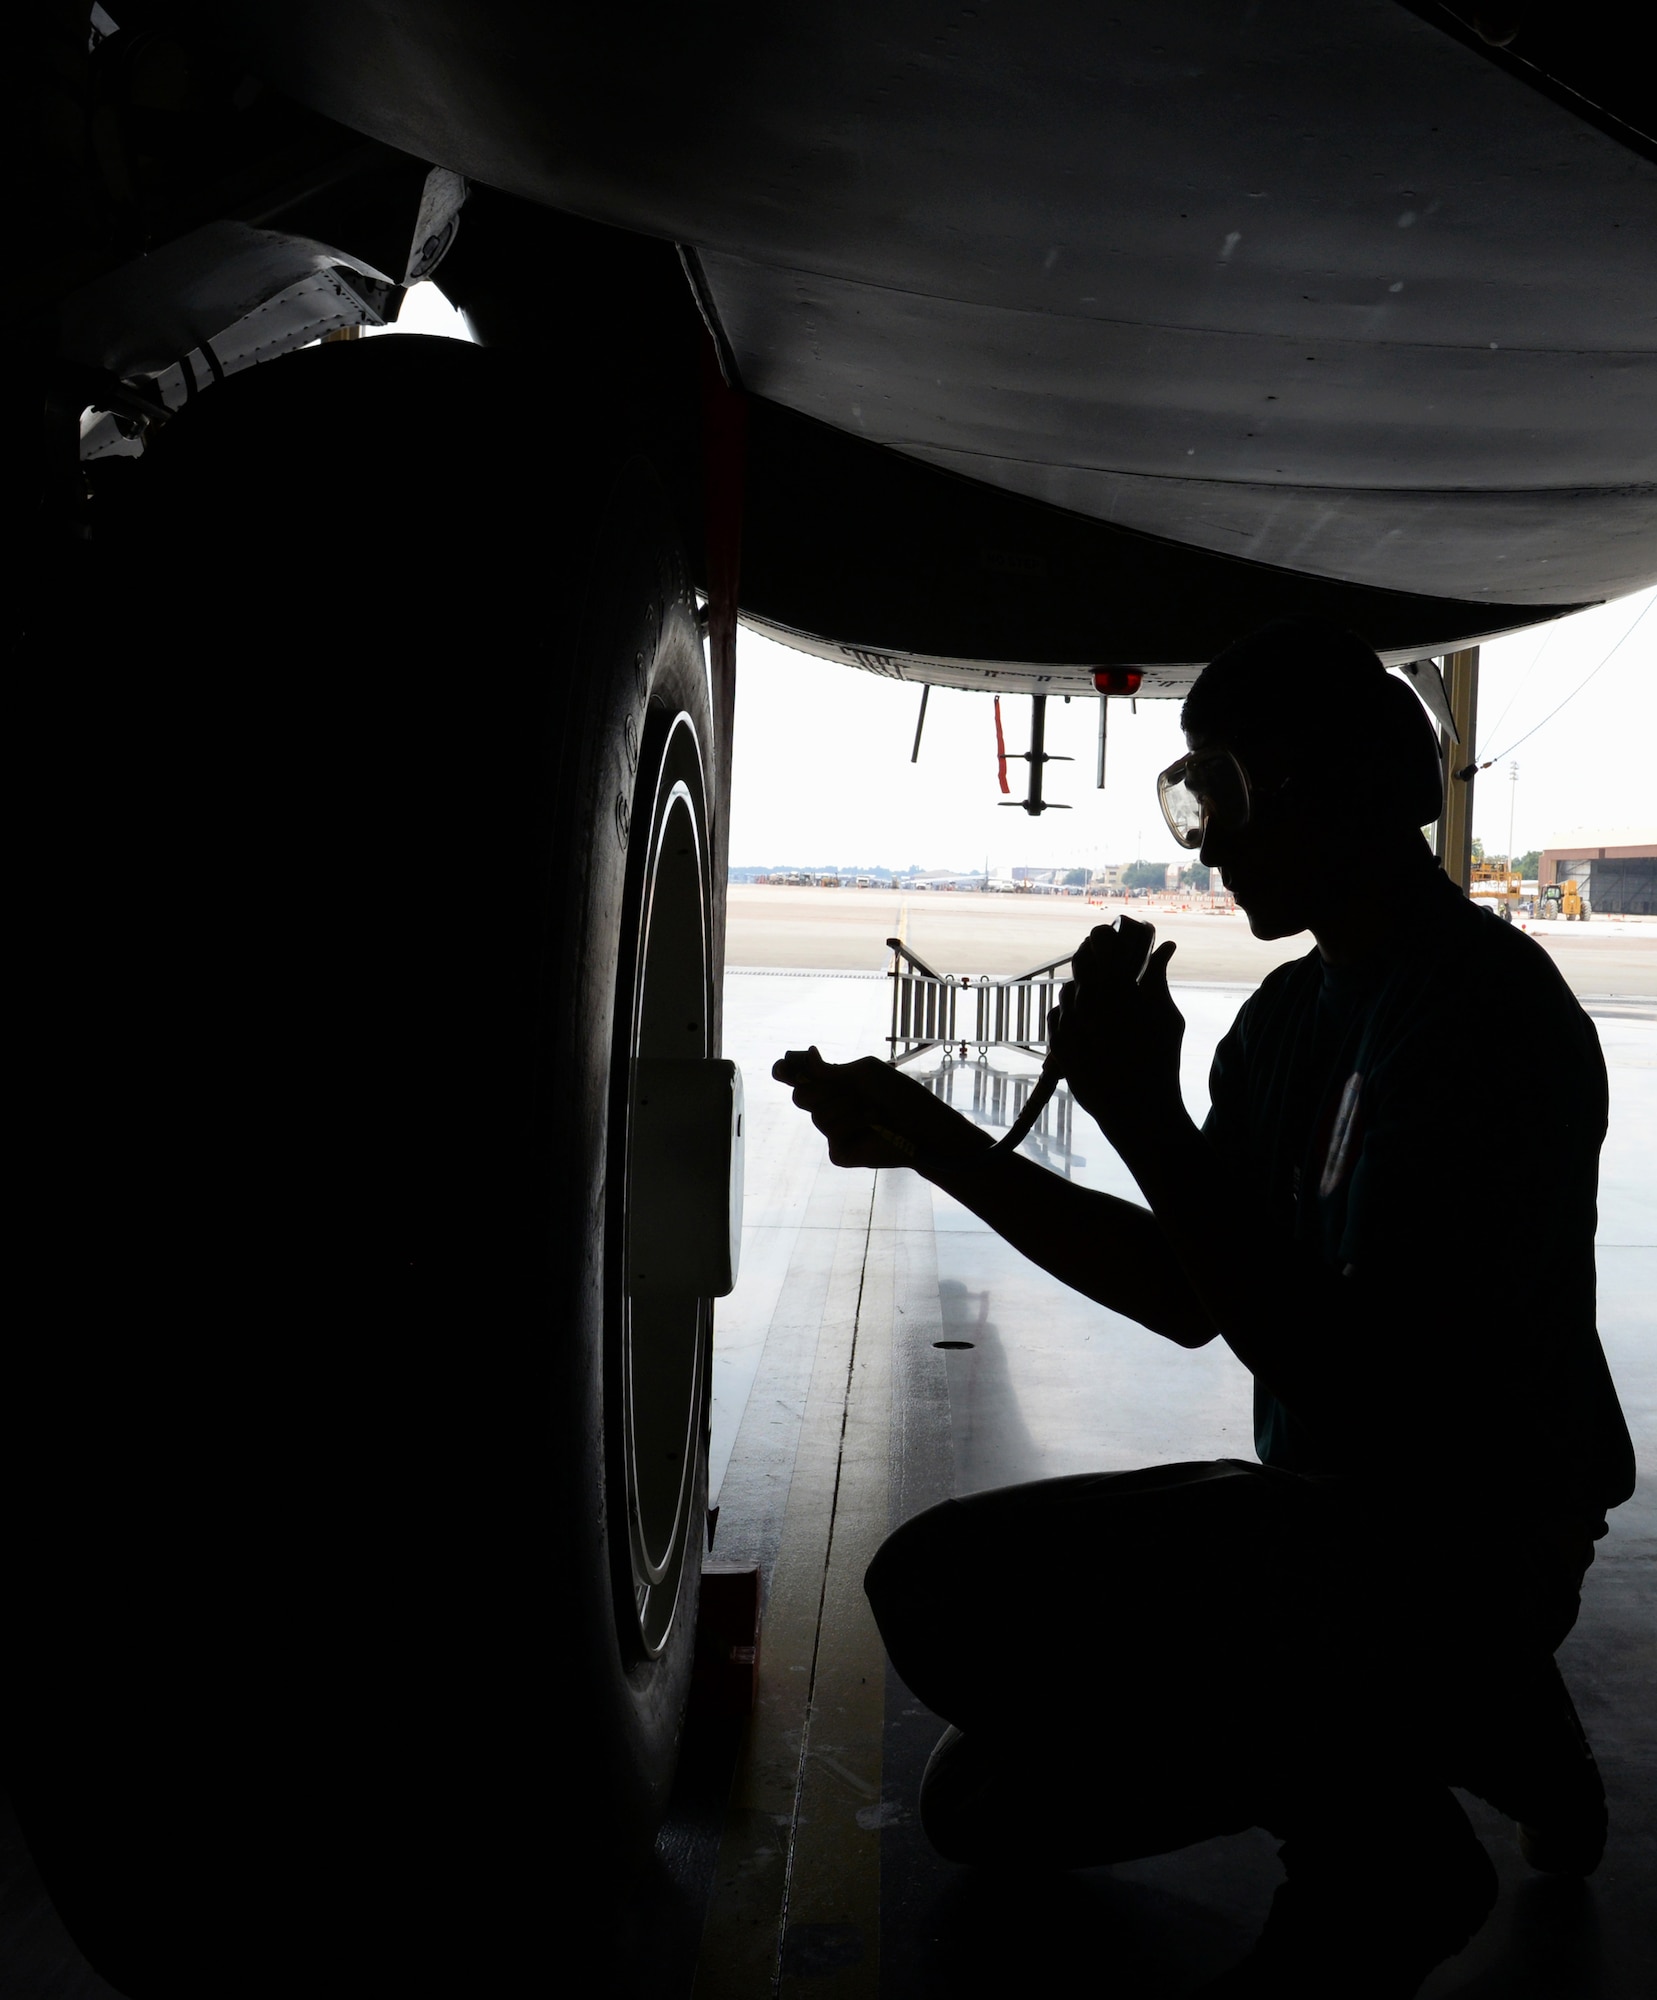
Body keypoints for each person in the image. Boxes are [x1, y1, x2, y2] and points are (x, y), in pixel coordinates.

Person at [773, 619, 1634, 1998]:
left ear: (1330, 787)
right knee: (982, 1805)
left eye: (1218, 796)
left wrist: (1138, 1115)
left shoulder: (1481, 1018)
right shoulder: (1291, 1015)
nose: (1204, 845)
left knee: (939, 1596)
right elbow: (1192, 1292)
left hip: (1454, 1526)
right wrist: (944, 1144)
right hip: (1340, 1515)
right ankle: (1487, 1719)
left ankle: (1395, 1848)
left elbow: (1355, 1378)